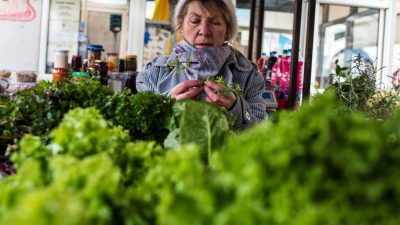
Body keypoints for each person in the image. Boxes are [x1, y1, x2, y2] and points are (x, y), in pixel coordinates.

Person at [136, 0, 266, 130]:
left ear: (227, 30)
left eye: (215, 22)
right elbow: (139, 131)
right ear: (181, 27)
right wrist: (165, 108)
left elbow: (261, 135)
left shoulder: (250, 77)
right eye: (195, 21)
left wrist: (235, 107)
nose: (204, 31)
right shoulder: (154, 74)